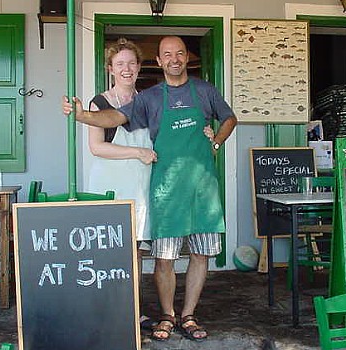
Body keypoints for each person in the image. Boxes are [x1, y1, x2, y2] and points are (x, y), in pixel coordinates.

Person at [62, 35, 238, 342]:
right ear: (159, 62)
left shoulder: (204, 90)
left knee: (200, 254)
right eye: (167, 54)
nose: (174, 59)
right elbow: (115, 118)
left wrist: (216, 140)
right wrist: (82, 115)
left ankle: (189, 315)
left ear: (186, 57)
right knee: (160, 257)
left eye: (179, 53)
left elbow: (229, 118)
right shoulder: (151, 97)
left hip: (201, 188)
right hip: (163, 190)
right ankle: (165, 315)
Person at [86, 38, 158, 331]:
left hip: (140, 186)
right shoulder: (99, 103)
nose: (126, 69)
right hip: (110, 185)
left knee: (136, 250)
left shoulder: (149, 102)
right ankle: (107, 310)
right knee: (110, 250)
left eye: (131, 63)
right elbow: (96, 147)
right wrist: (137, 152)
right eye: (120, 64)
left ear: (139, 67)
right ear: (110, 69)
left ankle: (134, 309)